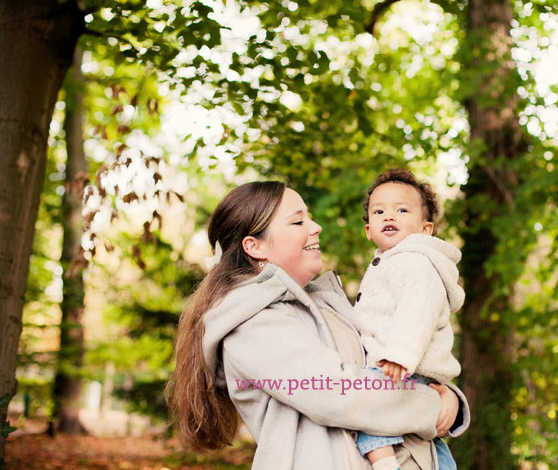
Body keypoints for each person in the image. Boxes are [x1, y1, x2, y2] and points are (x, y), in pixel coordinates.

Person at [166, 181, 470, 470]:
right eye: (298, 222)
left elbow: (382, 365)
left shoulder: (324, 305)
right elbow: (339, 393)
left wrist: (451, 399)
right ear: (255, 246)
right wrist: (434, 407)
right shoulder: (251, 322)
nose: (316, 227)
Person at [353, 170, 464, 470]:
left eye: (402, 210)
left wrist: (400, 355)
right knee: (426, 439)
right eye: (380, 211)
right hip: (405, 369)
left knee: (365, 406)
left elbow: (418, 311)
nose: (390, 215)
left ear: (425, 229)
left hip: (402, 366)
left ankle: (385, 463)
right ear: (368, 230)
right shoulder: (389, 263)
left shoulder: (416, 262)